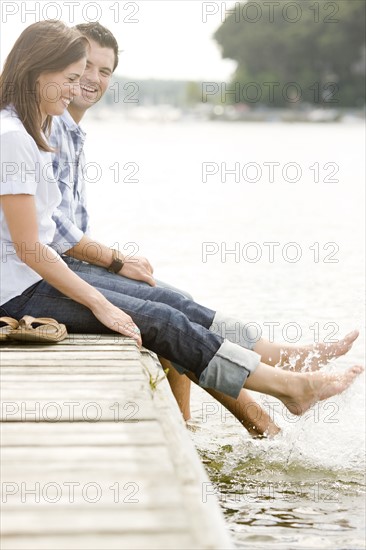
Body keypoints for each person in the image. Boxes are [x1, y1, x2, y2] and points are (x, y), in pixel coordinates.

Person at [0, 21, 363, 440]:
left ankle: (275, 386)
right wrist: (101, 303)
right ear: (35, 72)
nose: (76, 86)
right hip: (17, 291)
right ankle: (288, 387)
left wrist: (103, 293)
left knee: (170, 308)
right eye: (70, 79)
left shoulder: (29, 131)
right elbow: (31, 247)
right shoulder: (13, 137)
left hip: (29, 280)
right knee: (162, 321)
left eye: (87, 76)